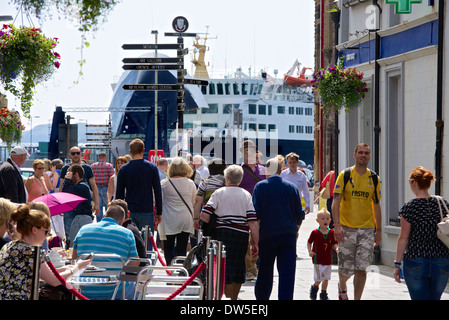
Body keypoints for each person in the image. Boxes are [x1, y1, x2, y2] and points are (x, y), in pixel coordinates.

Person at [0, 204, 91, 300]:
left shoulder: (8, 246)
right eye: (46, 232)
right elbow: (54, 281)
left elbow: (35, 272)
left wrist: (64, 269)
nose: (46, 236)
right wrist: (76, 268)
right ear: (35, 230)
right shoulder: (32, 252)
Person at [201, 165, 259, 300]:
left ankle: (225, 297)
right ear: (240, 179)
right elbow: (252, 222)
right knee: (238, 266)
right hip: (241, 235)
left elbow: (205, 215)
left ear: (226, 178)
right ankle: (233, 298)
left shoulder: (219, 193)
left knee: (224, 266)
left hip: (223, 234)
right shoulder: (246, 194)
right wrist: (255, 242)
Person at [332, 143, 382, 300]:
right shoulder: (345, 175)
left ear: (369, 155)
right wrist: (337, 225)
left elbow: (376, 205)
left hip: (367, 230)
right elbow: (336, 202)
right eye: (360, 152)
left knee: (362, 268)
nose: (363, 155)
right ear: (354, 155)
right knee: (345, 270)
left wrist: (378, 230)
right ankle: (342, 286)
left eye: (366, 153)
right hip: (346, 228)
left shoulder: (374, 178)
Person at [394, 166, 449, 300]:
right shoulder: (443, 203)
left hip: (415, 259)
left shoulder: (410, 207)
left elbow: (403, 237)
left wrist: (397, 264)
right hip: (441, 259)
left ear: (414, 183)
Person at [253, 158, 304, 300]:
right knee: (287, 273)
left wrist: (253, 239)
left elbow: (255, 215)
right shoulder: (292, 187)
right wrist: (295, 230)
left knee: (265, 271)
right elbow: (299, 214)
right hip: (288, 234)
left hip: (267, 234)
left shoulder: (260, 187)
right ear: (280, 170)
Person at [115, 139, 162, 237]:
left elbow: (119, 194)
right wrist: (159, 212)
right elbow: (157, 191)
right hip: (147, 210)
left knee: (130, 241)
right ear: (143, 150)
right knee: (147, 242)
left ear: (130, 151)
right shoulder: (152, 167)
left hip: (129, 211)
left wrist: (119, 214)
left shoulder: (123, 169)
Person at [158, 157, 196, 266]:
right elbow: (193, 201)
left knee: (168, 247)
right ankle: (180, 272)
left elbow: (160, 201)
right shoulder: (190, 183)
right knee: (182, 247)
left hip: (169, 218)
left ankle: (171, 271)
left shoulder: (165, 183)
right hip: (185, 218)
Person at [238, 140, 265, 281]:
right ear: (242, 153)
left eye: (252, 150)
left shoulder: (263, 170)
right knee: (245, 241)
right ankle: (248, 269)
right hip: (244, 210)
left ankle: (253, 265)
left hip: (260, 209)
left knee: (257, 239)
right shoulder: (239, 171)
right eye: (246, 151)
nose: (250, 153)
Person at [307, 208, 338, 300]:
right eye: (323, 219)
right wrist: (310, 251)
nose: (325, 220)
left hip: (328, 260)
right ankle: (314, 287)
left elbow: (334, 243)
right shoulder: (315, 233)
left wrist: (337, 249)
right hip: (318, 260)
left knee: (326, 278)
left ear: (330, 220)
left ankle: (323, 294)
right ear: (317, 221)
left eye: (327, 218)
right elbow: (309, 242)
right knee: (318, 279)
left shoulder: (331, 233)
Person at [60, 146, 100, 216]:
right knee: (69, 226)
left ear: (81, 154)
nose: (76, 155)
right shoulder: (65, 168)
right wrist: (60, 205)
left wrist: (96, 204)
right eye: (73, 153)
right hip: (69, 204)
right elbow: (61, 186)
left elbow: (93, 186)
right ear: (70, 155)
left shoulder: (87, 168)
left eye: (77, 153)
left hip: (83, 204)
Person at [194, 158, 227, 237]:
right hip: (225, 216)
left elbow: (198, 201)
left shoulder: (205, 182)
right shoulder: (227, 181)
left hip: (209, 216)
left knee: (209, 239)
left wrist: (196, 218)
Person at [62, 164, 93, 247]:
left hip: (83, 219)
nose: (67, 177)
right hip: (80, 217)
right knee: (73, 243)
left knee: (75, 245)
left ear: (76, 175)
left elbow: (66, 192)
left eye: (69, 174)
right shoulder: (80, 186)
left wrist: (67, 180)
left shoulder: (82, 186)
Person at [91, 152, 115, 222]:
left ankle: (99, 222)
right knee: (108, 207)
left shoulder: (93, 166)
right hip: (106, 188)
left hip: (96, 188)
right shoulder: (109, 166)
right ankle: (108, 221)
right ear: (105, 157)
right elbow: (112, 177)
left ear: (98, 158)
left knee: (98, 207)